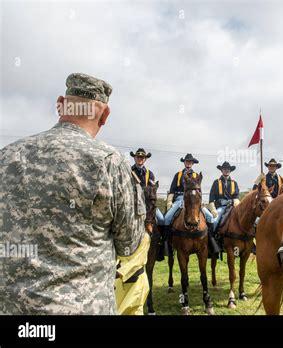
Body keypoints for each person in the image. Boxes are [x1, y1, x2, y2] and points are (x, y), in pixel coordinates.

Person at [0, 73, 145, 314]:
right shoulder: (109, 162)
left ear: (60, 103)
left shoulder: (6, 157)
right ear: (105, 115)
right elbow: (129, 244)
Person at [130, 148, 164, 227]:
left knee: (161, 219)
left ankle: (163, 238)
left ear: (145, 159)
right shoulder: (129, 170)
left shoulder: (150, 173)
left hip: (147, 202)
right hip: (132, 200)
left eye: (142, 157)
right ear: (135, 158)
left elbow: (152, 189)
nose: (140, 159)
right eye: (138, 157)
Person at [207, 161, 240, 233]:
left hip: (232, 206)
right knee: (215, 221)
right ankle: (212, 238)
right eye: (224, 169)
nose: (226, 170)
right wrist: (213, 209)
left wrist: (236, 201)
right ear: (221, 170)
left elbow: (236, 196)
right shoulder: (216, 182)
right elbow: (211, 197)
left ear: (230, 171)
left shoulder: (234, 183)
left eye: (228, 169)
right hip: (220, 206)